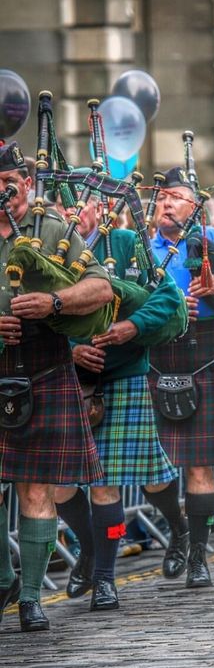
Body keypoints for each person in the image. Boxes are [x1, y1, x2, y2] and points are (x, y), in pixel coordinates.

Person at [53, 194, 186, 612]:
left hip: (124, 375)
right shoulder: (48, 251)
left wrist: (132, 326)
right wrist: (71, 350)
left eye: (80, 204)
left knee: (115, 480)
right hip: (68, 378)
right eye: (60, 206)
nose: (71, 212)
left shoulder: (126, 243)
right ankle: (91, 552)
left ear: (100, 208)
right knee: (59, 487)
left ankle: (109, 578)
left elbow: (169, 299)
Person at [0, 142, 112, 632]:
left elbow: (101, 288)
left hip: (42, 369)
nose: (3, 194)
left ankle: (29, 600)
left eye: (8, 184)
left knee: (37, 488)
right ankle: (5, 577)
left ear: (25, 182)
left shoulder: (54, 231)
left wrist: (54, 303)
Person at [148, 166, 214, 588]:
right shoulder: (138, 247)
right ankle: (178, 528)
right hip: (153, 353)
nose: (166, 203)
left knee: (199, 467)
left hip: (205, 348)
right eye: (161, 197)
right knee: (152, 470)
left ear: (196, 207)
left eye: (175, 196)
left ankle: (197, 556)